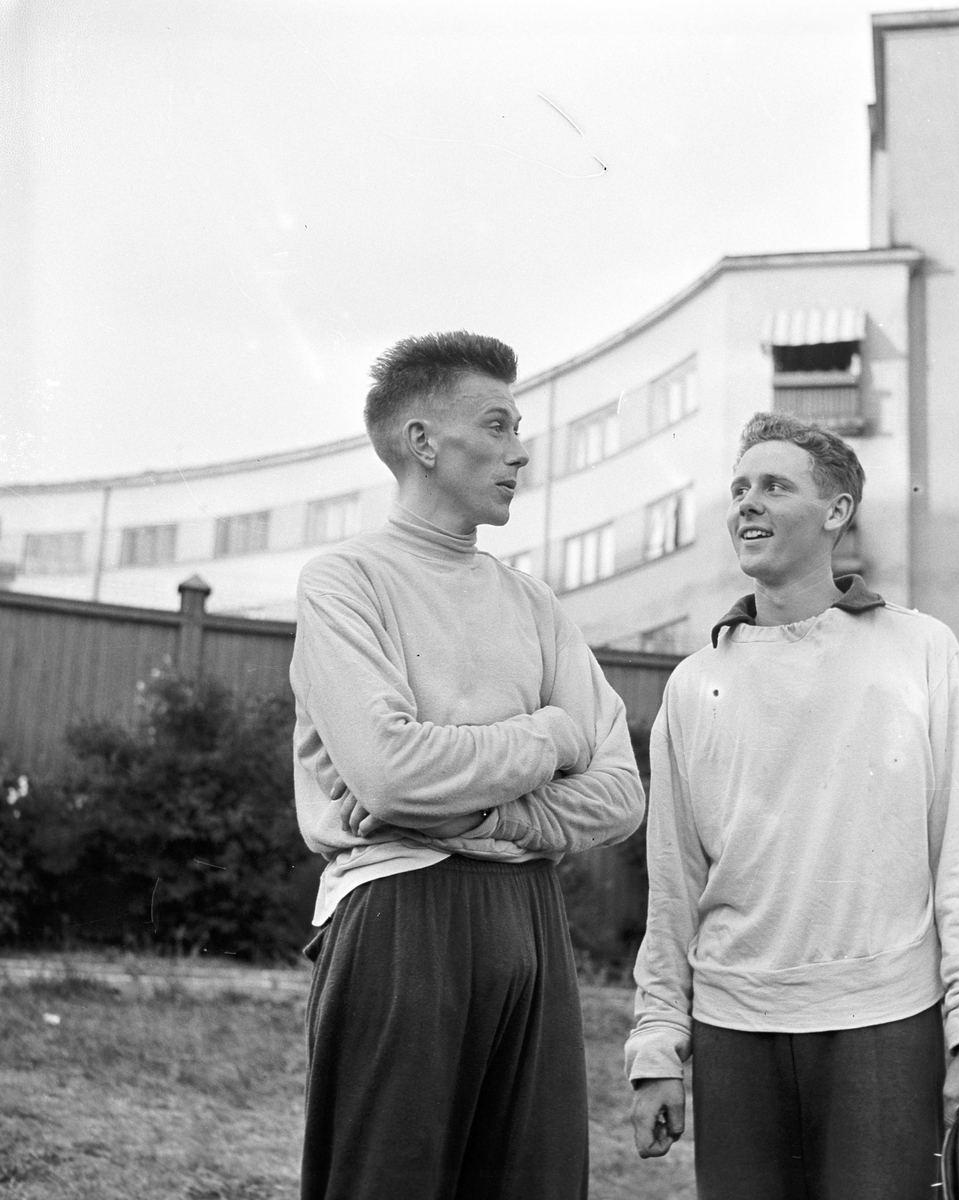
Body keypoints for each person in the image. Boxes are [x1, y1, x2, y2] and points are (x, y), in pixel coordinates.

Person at [626, 413, 959, 1200]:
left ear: (836, 512)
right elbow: (671, 886)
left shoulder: (920, 651)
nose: (747, 504)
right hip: (734, 1030)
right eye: (738, 488)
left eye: (774, 486)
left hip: (884, 1024)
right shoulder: (692, 682)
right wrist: (657, 1044)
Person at [291, 330, 645, 1200]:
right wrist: (551, 738)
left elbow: (620, 793)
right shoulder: (346, 581)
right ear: (422, 442)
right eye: (496, 425)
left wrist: (493, 816)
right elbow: (391, 773)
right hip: (401, 908)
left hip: (528, 913)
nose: (520, 450)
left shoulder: (531, 601)